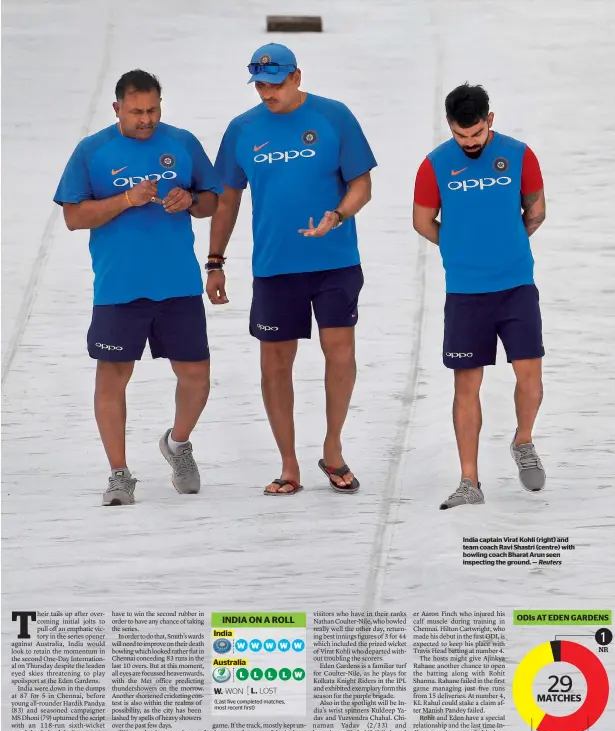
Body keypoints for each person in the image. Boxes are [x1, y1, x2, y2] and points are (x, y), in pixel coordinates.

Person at [207, 43, 377, 496]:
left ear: (297, 77)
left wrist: (337, 216)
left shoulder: (333, 117)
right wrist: (215, 261)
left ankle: (334, 448)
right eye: (260, 84)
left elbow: (362, 184)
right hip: (275, 267)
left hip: (335, 262)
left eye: (275, 83)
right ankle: (289, 465)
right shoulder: (242, 129)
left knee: (339, 352)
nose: (267, 93)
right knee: (275, 364)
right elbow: (227, 199)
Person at [53, 70, 222, 505]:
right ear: (117, 109)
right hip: (118, 288)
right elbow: (73, 217)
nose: (146, 119)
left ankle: (178, 445)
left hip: (178, 285)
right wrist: (127, 199)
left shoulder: (182, 143)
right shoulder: (92, 152)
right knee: (112, 378)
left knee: (196, 377)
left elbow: (211, 201)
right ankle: (119, 473)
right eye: (136, 112)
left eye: (152, 110)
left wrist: (190, 200)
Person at [413, 83, 547, 510]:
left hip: (516, 286)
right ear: (450, 126)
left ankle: (522, 441)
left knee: (530, 374)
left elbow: (537, 210)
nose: (469, 143)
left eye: (475, 134)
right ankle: (469, 481)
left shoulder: (520, 155)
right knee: (466, 384)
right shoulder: (434, 165)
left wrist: (508, 245)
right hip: (466, 293)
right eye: (460, 136)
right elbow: (422, 221)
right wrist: (459, 250)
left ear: (490, 121)